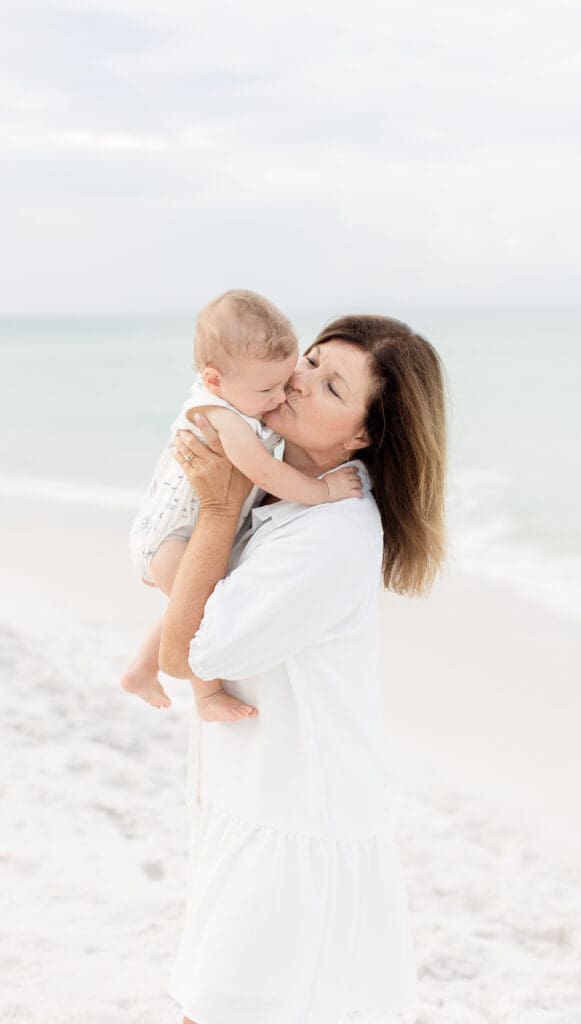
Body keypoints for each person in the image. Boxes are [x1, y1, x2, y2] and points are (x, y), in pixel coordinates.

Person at [159, 314, 448, 1024]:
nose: (298, 379)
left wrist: (219, 505)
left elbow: (194, 651)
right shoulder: (282, 494)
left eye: (330, 384)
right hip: (258, 805)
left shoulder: (330, 534)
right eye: (309, 360)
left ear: (361, 436)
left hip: (295, 830)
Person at [122, 289, 361, 721]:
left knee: (186, 603)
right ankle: (207, 696)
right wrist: (324, 491)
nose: (281, 395)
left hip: (183, 532)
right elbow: (265, 473)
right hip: (172, 537)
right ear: (215, 380)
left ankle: (140, 669)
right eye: (269, 387)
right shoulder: (223, 416)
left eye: (287, 379)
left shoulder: (240, 393)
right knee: (200, 610)